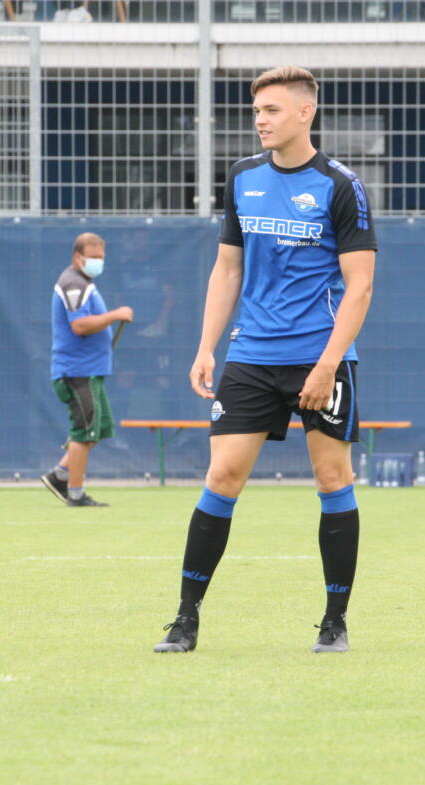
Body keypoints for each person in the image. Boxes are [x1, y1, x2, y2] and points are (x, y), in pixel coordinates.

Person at [153, 65, 377, 654]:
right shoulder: (242, 177)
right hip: (251, 355)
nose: (260, 120)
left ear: (306, 112)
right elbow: (228, 269)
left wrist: (327, 365)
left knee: (333, 479)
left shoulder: (341, 185)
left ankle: (334, 622)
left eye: (272, 110)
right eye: (256, 111)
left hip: (320, 358)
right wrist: (206, 346)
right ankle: (185, 620)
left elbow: (360, 287)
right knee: (222, 477)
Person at [40, 232, 134, 507]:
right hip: (77, 372)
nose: (98, 262)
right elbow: (79, 326)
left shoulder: (83, 283)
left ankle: (60, 474)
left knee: (98, 428)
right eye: (93, 257)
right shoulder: (73, 284)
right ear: (77, 257)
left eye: (101, 257)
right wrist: (115, 315)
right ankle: (75, 494)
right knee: (84, 432)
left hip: (90, 371)